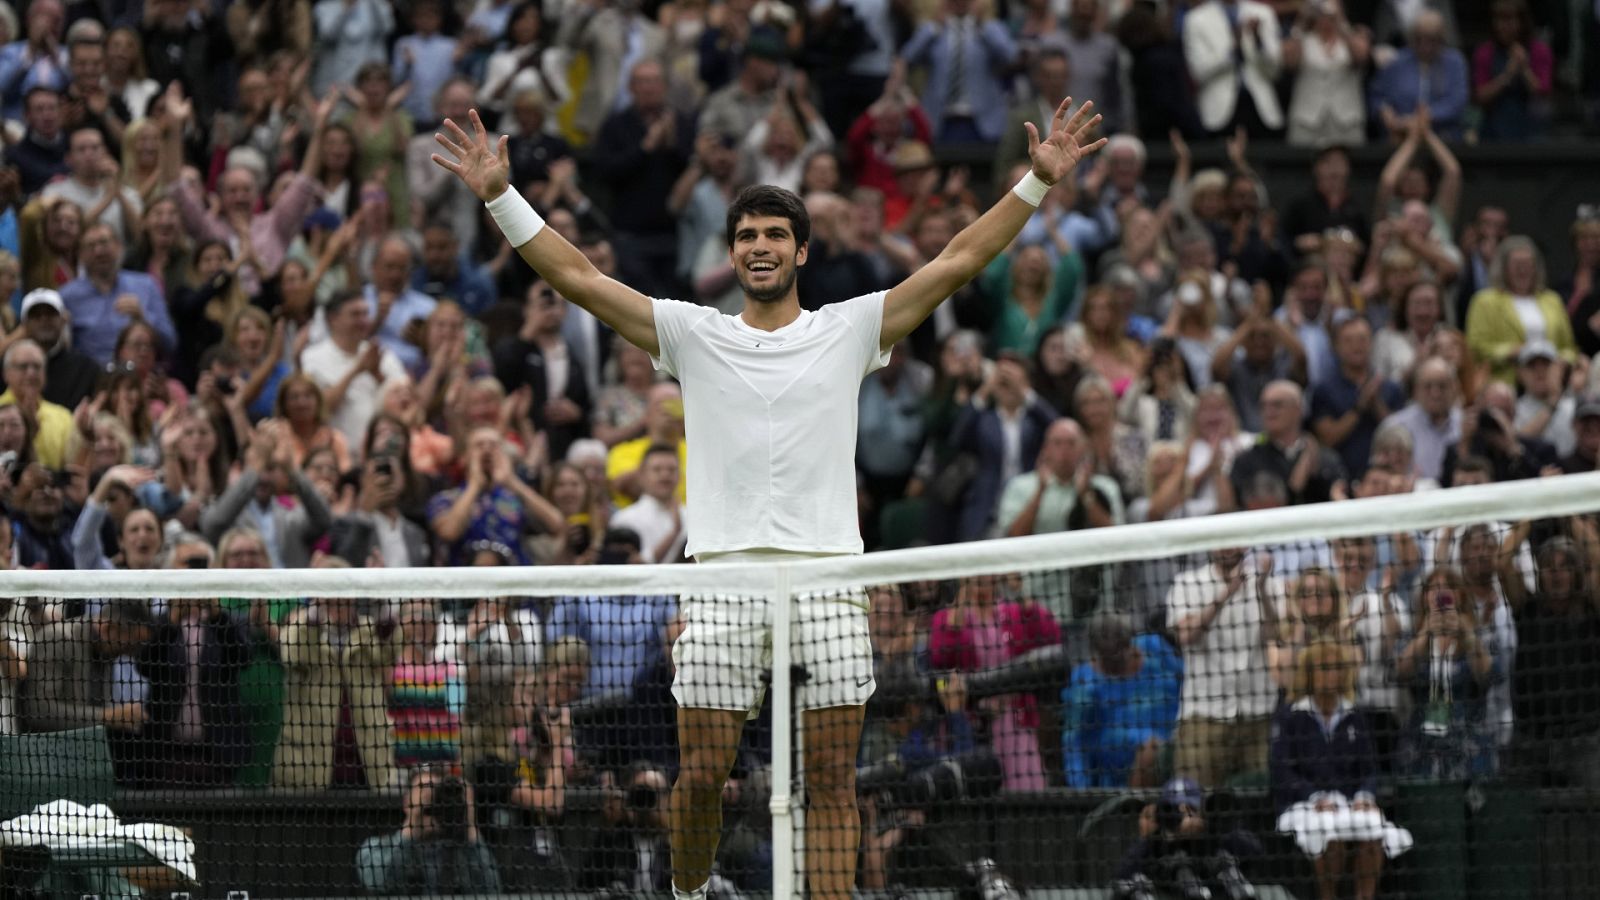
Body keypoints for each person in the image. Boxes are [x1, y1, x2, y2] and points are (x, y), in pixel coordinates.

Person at [430, 90, 1106, 900]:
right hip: (723, 579)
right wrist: (501, 196)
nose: (759, 246)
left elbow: (956, 261)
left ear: (801, 252)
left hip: (826, 579)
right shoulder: (693, 334)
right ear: (733, 252)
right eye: (746, 235)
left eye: (775, 235)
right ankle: (687, 892)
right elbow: (578, 276)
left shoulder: (851, 329)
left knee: (830, 777)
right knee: (704, 775)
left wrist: (1035, 182)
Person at [1271, 641, 1412, 900]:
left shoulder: (1355, 716)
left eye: (1336, 668)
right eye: (1324, 668)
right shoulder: (1291, 717)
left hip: (1347, 804)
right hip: (1304, 806)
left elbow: (1369, 770)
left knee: (1373, 830)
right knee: (1328, 835)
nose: (1330, 675)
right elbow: (1282, 772)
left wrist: (1364, 797)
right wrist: (1314, 797)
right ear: (1310, 674)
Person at [1062, 613, 1183, 788]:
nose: (1115, 659)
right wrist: (1081, 793)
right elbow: (1074, 744)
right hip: (1118, 770)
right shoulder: (1085, 682)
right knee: (1149, 752)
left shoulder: (1154, 649)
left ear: (1129, 643)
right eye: (1107, 654)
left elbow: (1190, 680)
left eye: (1119, 649)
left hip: (1176, 747)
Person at [357, 767, 501, 894]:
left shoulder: (462, 852)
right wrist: (413, 824)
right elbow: (379, 882)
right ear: (407, 802)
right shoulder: (376, 847)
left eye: (438, 795)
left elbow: (491, 890)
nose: (433, 801)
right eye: (424, 790)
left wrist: (469, 822)